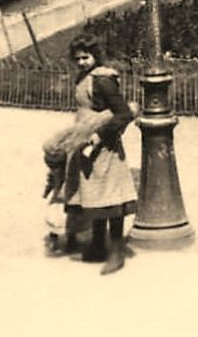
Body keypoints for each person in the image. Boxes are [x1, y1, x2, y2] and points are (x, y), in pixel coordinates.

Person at [41, 41, 136, 274]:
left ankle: (116, 252)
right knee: (93, 196)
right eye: (78, 58)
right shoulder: (84, 77)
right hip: (83, 142)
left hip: (104, 144)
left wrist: (99, 135)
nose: (81, 62)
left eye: (86, 57)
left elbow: (123, 113)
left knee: (111, 198)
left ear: (96, 56)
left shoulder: (103, 79)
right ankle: (97, 244)